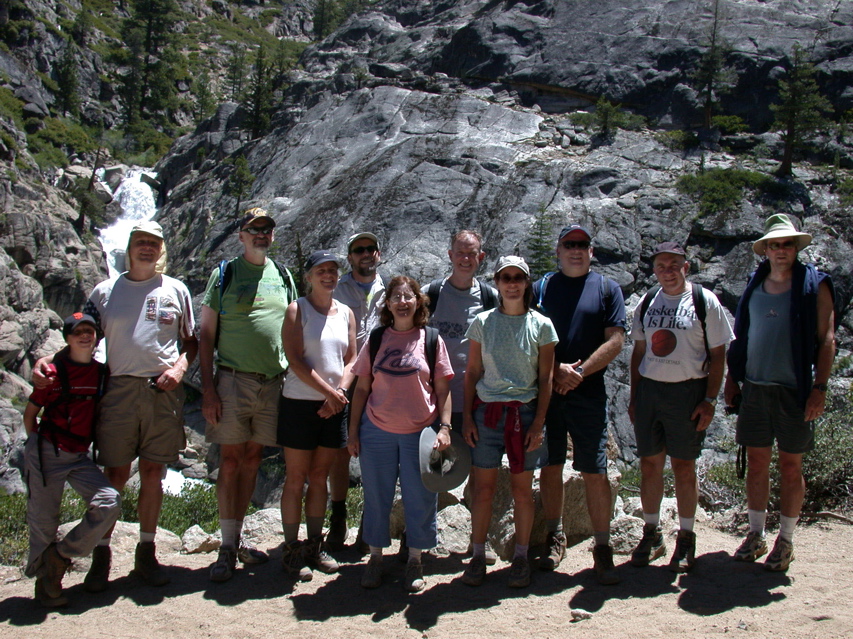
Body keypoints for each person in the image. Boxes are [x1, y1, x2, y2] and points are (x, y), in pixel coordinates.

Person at [34, 220, 197, 589]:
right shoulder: (105, 291)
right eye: (140, 242)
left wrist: (180, 368)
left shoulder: (177, 289)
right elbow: (83, 337)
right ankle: (101, 555)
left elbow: (191, 341)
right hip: (118, 390)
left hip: (163, 389)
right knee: (116, 475)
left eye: (153, 243)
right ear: (129, 247)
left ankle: (146, 552)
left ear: (161, 250)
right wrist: (48, 362)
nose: (146, 249)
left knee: (154, 472)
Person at [724, 214, 835, 572]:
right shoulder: (755, 284)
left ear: (795, 248)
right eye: (775, 244)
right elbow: (741, 335)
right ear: (766, 249)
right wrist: (732, 378)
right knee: (756, 463)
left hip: (794, 390)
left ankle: (785, 540)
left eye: (787, 244)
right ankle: (756, 534)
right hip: (755, 387)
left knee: (790, 466)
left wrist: (819, 388)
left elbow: (828, 340)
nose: (781, 250)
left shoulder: (813, 286)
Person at [199, 208, 297, 583]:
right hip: (232, 379)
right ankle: (226, 546)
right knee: (230, 459)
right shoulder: (223, 275)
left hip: (274, 381)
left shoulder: (283, 275)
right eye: (253, 229)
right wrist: (208, 388)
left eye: (267, 229)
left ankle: (235, 540)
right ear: (241, 235)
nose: (261, 235)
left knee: (253, 458)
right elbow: (206, 334)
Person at [628, 242, 734, 572]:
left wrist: (709, 400)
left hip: (688, 393)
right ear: (655, 270)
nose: (668, 271)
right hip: (651, 392)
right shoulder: (647, 302)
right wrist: (635, 397)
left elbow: (719, 355)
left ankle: (686, 537)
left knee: (684, 467)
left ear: (686, 267)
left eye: (674, 264)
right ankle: (652, 532)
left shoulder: (704, 302)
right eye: (661, 266)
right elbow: (638, 351)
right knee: (650, 465)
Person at [348, 276, 454, 592]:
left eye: (409, 296)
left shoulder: (432, 340)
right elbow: (362, 387)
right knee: (376, 496)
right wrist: (353, 430)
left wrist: (445, 428)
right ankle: (376, 558)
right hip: (376, 430)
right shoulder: (378, 339)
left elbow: (443, 389)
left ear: (418, 302)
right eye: (397, 296)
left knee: (421, 497)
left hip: (420, 433)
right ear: (389, 303)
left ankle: (415, 561)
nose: (403, 302)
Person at [533, 224, 626, 584]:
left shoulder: (606, 289)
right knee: (551, 465)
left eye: (582, 245)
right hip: (548, 391)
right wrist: (556, 369)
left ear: (591, 251)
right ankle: (555, 536)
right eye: (569, 244)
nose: (576, 250)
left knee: (594, 470)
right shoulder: (541, 288)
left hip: (588, 392)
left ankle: (602, 548)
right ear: (558, 250)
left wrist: (579, 372)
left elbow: (616, 340)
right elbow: (525, 333)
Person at [461, 256, 557, 588]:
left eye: (518, 277)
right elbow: (472, 372)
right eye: (505, 278)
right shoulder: (483, 322)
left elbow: (546, 379)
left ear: (527, 283)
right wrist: (466, 420)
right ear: (497, 283)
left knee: (522, 492)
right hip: (486, 415)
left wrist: (539, 423)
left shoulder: (542, 326)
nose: (512, 283)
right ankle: (476, 554)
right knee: (483, 489)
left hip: (524, 414)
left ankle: (520, 556)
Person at [23, 313, 122, 607]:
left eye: (89, 331)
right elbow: (31, 414)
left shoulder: (101, 372)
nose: (84, 336)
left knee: (109, 500)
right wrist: (35, 447)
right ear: (67, 338)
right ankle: (47, 587)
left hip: (78, 455)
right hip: (47, 453)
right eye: (77, 331)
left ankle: (61, 555)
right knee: (44, 522)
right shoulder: (52, 373)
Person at [278, 250, 356, 581]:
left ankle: (314, 544)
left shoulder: (347, 313)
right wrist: (330, 393)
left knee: (320, 476)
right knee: (296, 477)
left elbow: (352, 359)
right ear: (308, 276)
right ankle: (291, 547)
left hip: (334, 404)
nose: (328, 275)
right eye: (321, 270)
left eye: (333, 270)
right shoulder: (298, 310)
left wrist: (338, 395)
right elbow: (295, 359)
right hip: (300, 402)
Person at [327, 231, 386, 549]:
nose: (366, 254)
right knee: (339, 452)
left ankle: (369, 523)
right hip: (343, 381)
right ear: (349, 256)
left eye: (371, 249)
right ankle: (337, 519)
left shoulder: (387, 290)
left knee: (375, 454)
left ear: (378, 254)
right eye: (359, 249)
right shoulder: (337, 288)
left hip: (378, 383)